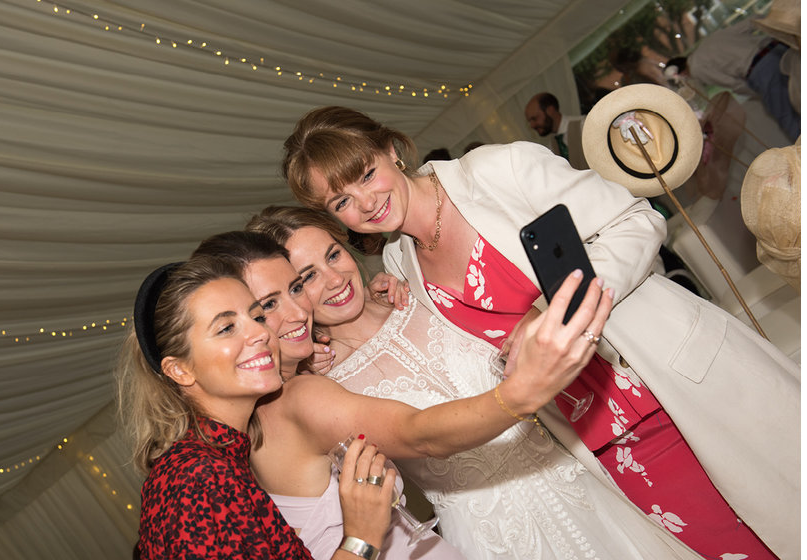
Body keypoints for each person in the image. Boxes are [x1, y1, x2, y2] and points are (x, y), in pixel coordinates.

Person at [281, 106, 800, 560]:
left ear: (392, 150)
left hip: (668, 378)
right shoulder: (399, 264)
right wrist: (322, 348)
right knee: (729, 547)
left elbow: (638, 221)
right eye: (341, 202)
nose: (365, 203)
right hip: (600, 440)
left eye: (367, 174)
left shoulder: (495, 170)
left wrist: (555, 308)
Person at [245, 206, 710, 560]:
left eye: (334, 254)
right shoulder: (322, 384)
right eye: (305, 278)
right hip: (495, 538)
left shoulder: (417, 289)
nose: (333, 279)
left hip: (587, 481)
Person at [190, 229, 611, 559]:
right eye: (266, 306)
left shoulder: (260, 410)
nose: (298, 311)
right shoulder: (297, 398)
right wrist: (520, 393)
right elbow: (417, 432)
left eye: (296, 288)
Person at [117, 256, 396, 559]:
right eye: (226, 328)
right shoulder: (196, 479)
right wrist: (361, 538)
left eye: (258, 318)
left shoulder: (221, 461)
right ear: (180, 370)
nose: (261, 333)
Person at [666, 17, 800, 141]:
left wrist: (759, 92)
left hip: (762, 69)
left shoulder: (697, 69)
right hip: (777, 49)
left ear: (682, 73)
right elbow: (751, 22)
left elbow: (732, 83)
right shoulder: (709, 41)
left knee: (787, 117)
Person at [524, 92, 589, 170]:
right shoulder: (551, 146)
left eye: (534, 118)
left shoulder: (584, 125)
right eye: (529, 121)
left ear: (550, 110)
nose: (532, 125)